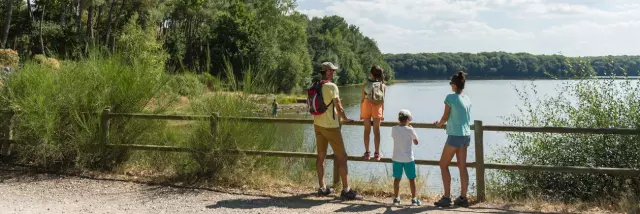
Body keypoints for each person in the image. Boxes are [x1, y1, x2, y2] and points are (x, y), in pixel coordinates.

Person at [312, 62, 362, 200]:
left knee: (321, 157)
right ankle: (346, 190)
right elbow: (338, 107)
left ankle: (322, 188)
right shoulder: (331, 86)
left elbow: (321, 105)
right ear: (327, 71)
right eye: (332, 71)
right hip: (331, 127)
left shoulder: (316, 85)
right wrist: (345, 118)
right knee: (342, 157)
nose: (334, 73)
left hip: (318, 125)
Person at [433, 71, 472, 207]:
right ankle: (463, 198)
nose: (450, 86)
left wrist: (438, 124)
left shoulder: (450, 97)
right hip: (466, 135)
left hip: (455, 135)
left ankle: (447, 197)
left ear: (454, 85)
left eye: (451, 83)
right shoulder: (467, 99)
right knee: (462, 166)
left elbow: (445, 116)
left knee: (443, 164)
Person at [391, 109, 421, 206]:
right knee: (412, 179)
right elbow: (416, 142)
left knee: (397, 179)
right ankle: (414, 199)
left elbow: (394, 136)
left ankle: (396, 199)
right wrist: (412, 129)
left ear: (399, 119)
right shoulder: (410, 130)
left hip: (396, 158)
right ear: (408, 119)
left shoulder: (394, 128)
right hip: (408, 159)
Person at [361, 65, 386, 161]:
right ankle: (377, 153)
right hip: (377, 108)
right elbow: (383, 101)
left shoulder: (365, 85)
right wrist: (382, 114)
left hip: (366, 106)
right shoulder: (383, 86)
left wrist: (361, 113)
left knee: (367, 130)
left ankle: (367, 153)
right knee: (377, 131)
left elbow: (362, 100)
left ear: (371, 73)